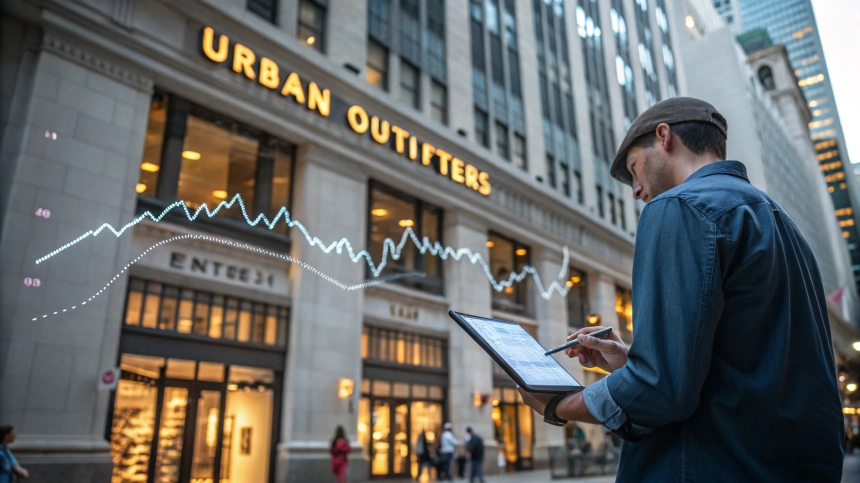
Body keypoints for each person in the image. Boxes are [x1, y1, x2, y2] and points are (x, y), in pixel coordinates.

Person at [517, 97, 845, 481]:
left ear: (664, 136)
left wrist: (558, 405)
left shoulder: (678, 207)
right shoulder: (782, 225)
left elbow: (660, 391)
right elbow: (749, 368)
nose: (636, 190)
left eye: (635, 169)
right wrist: (630, 359)